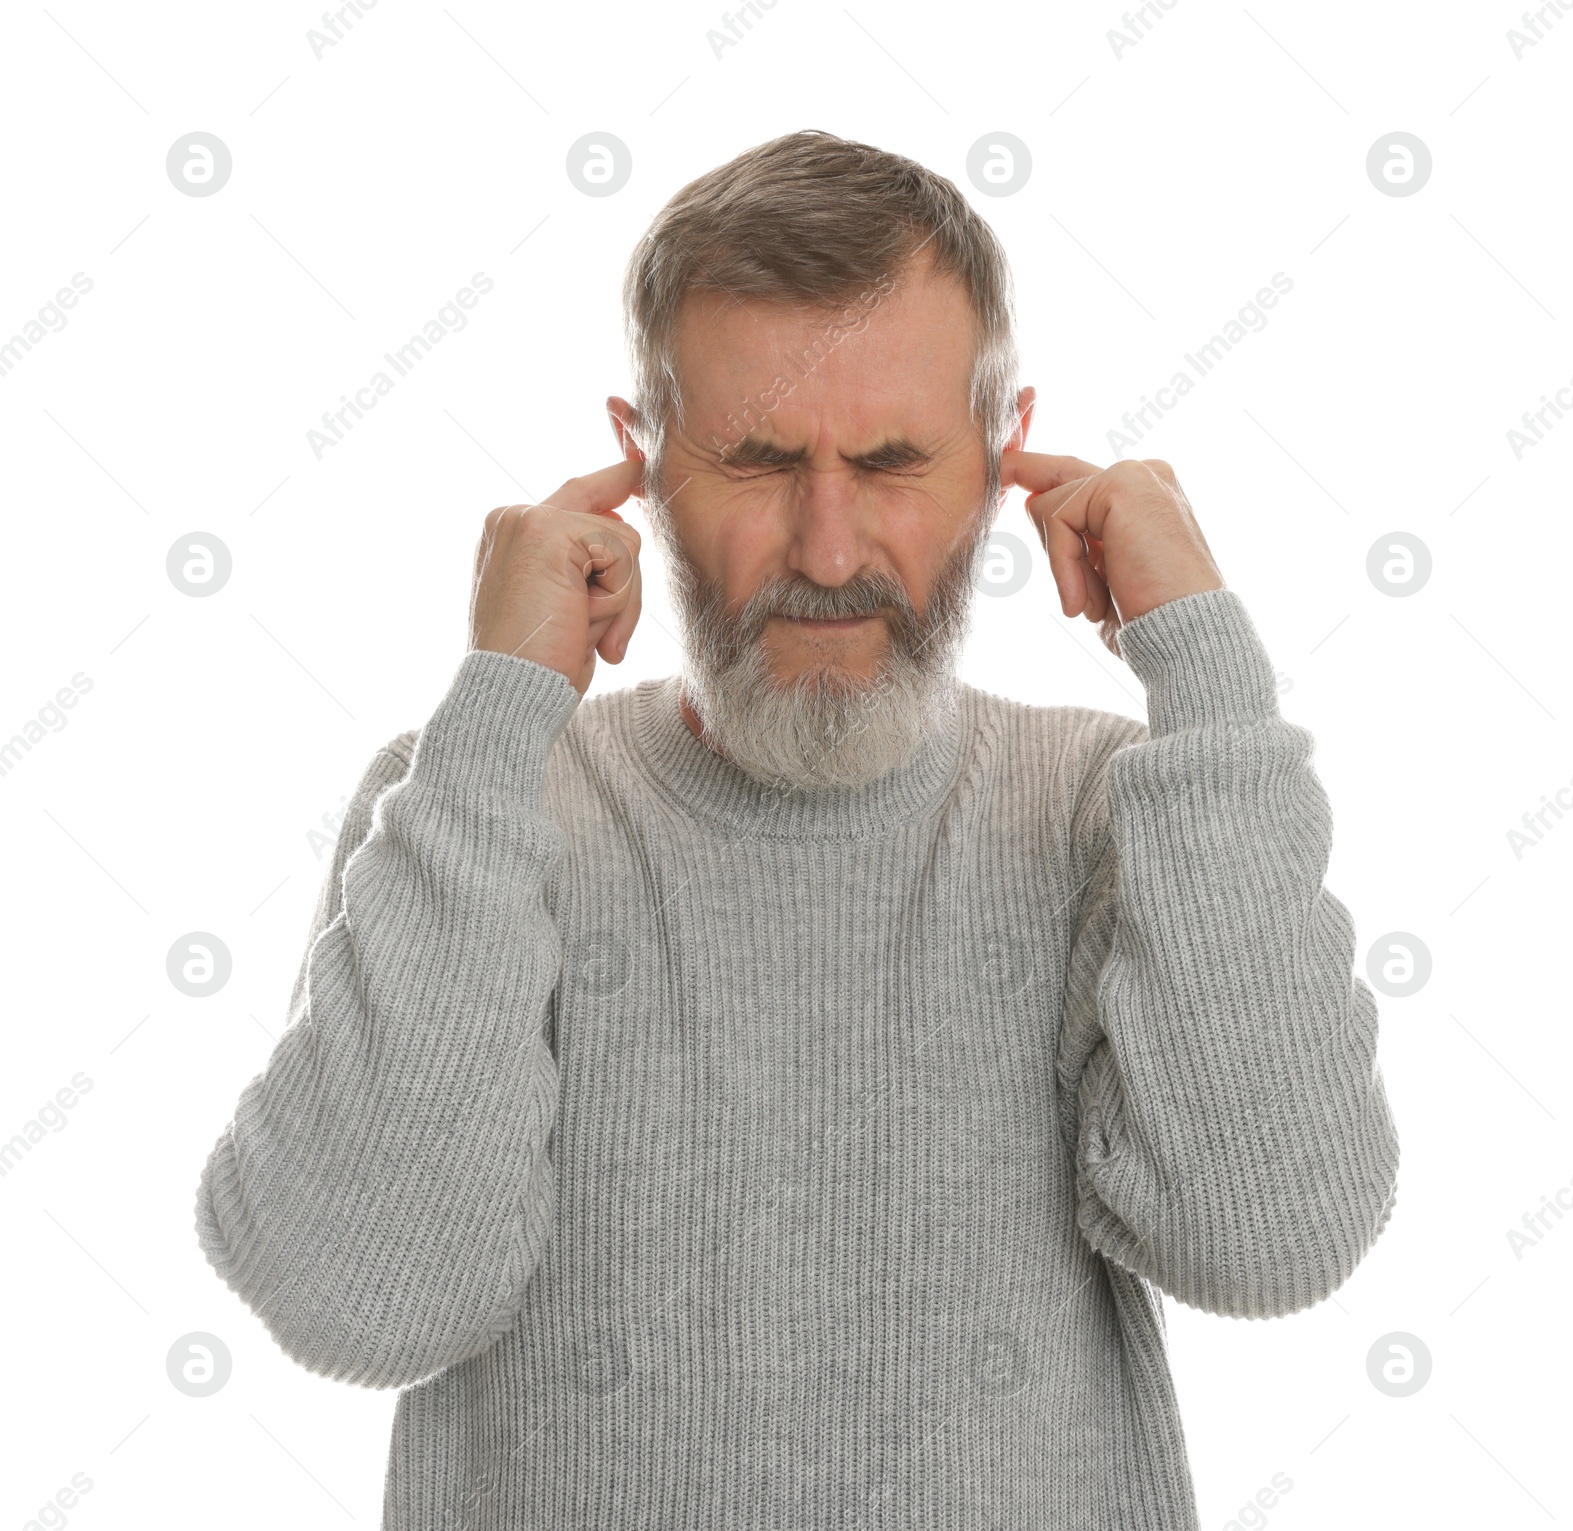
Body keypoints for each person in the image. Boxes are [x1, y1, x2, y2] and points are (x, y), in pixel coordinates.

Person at [195, 128, 1399, 1529]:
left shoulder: (1115, 813)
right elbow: (354, 1298)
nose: (830, 552)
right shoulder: (478, 804)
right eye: (760, 463)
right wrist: (499, 710)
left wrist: (1207, 668)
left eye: (892, 462)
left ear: (1003, 456)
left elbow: (1273, 1241)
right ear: (638, 464)